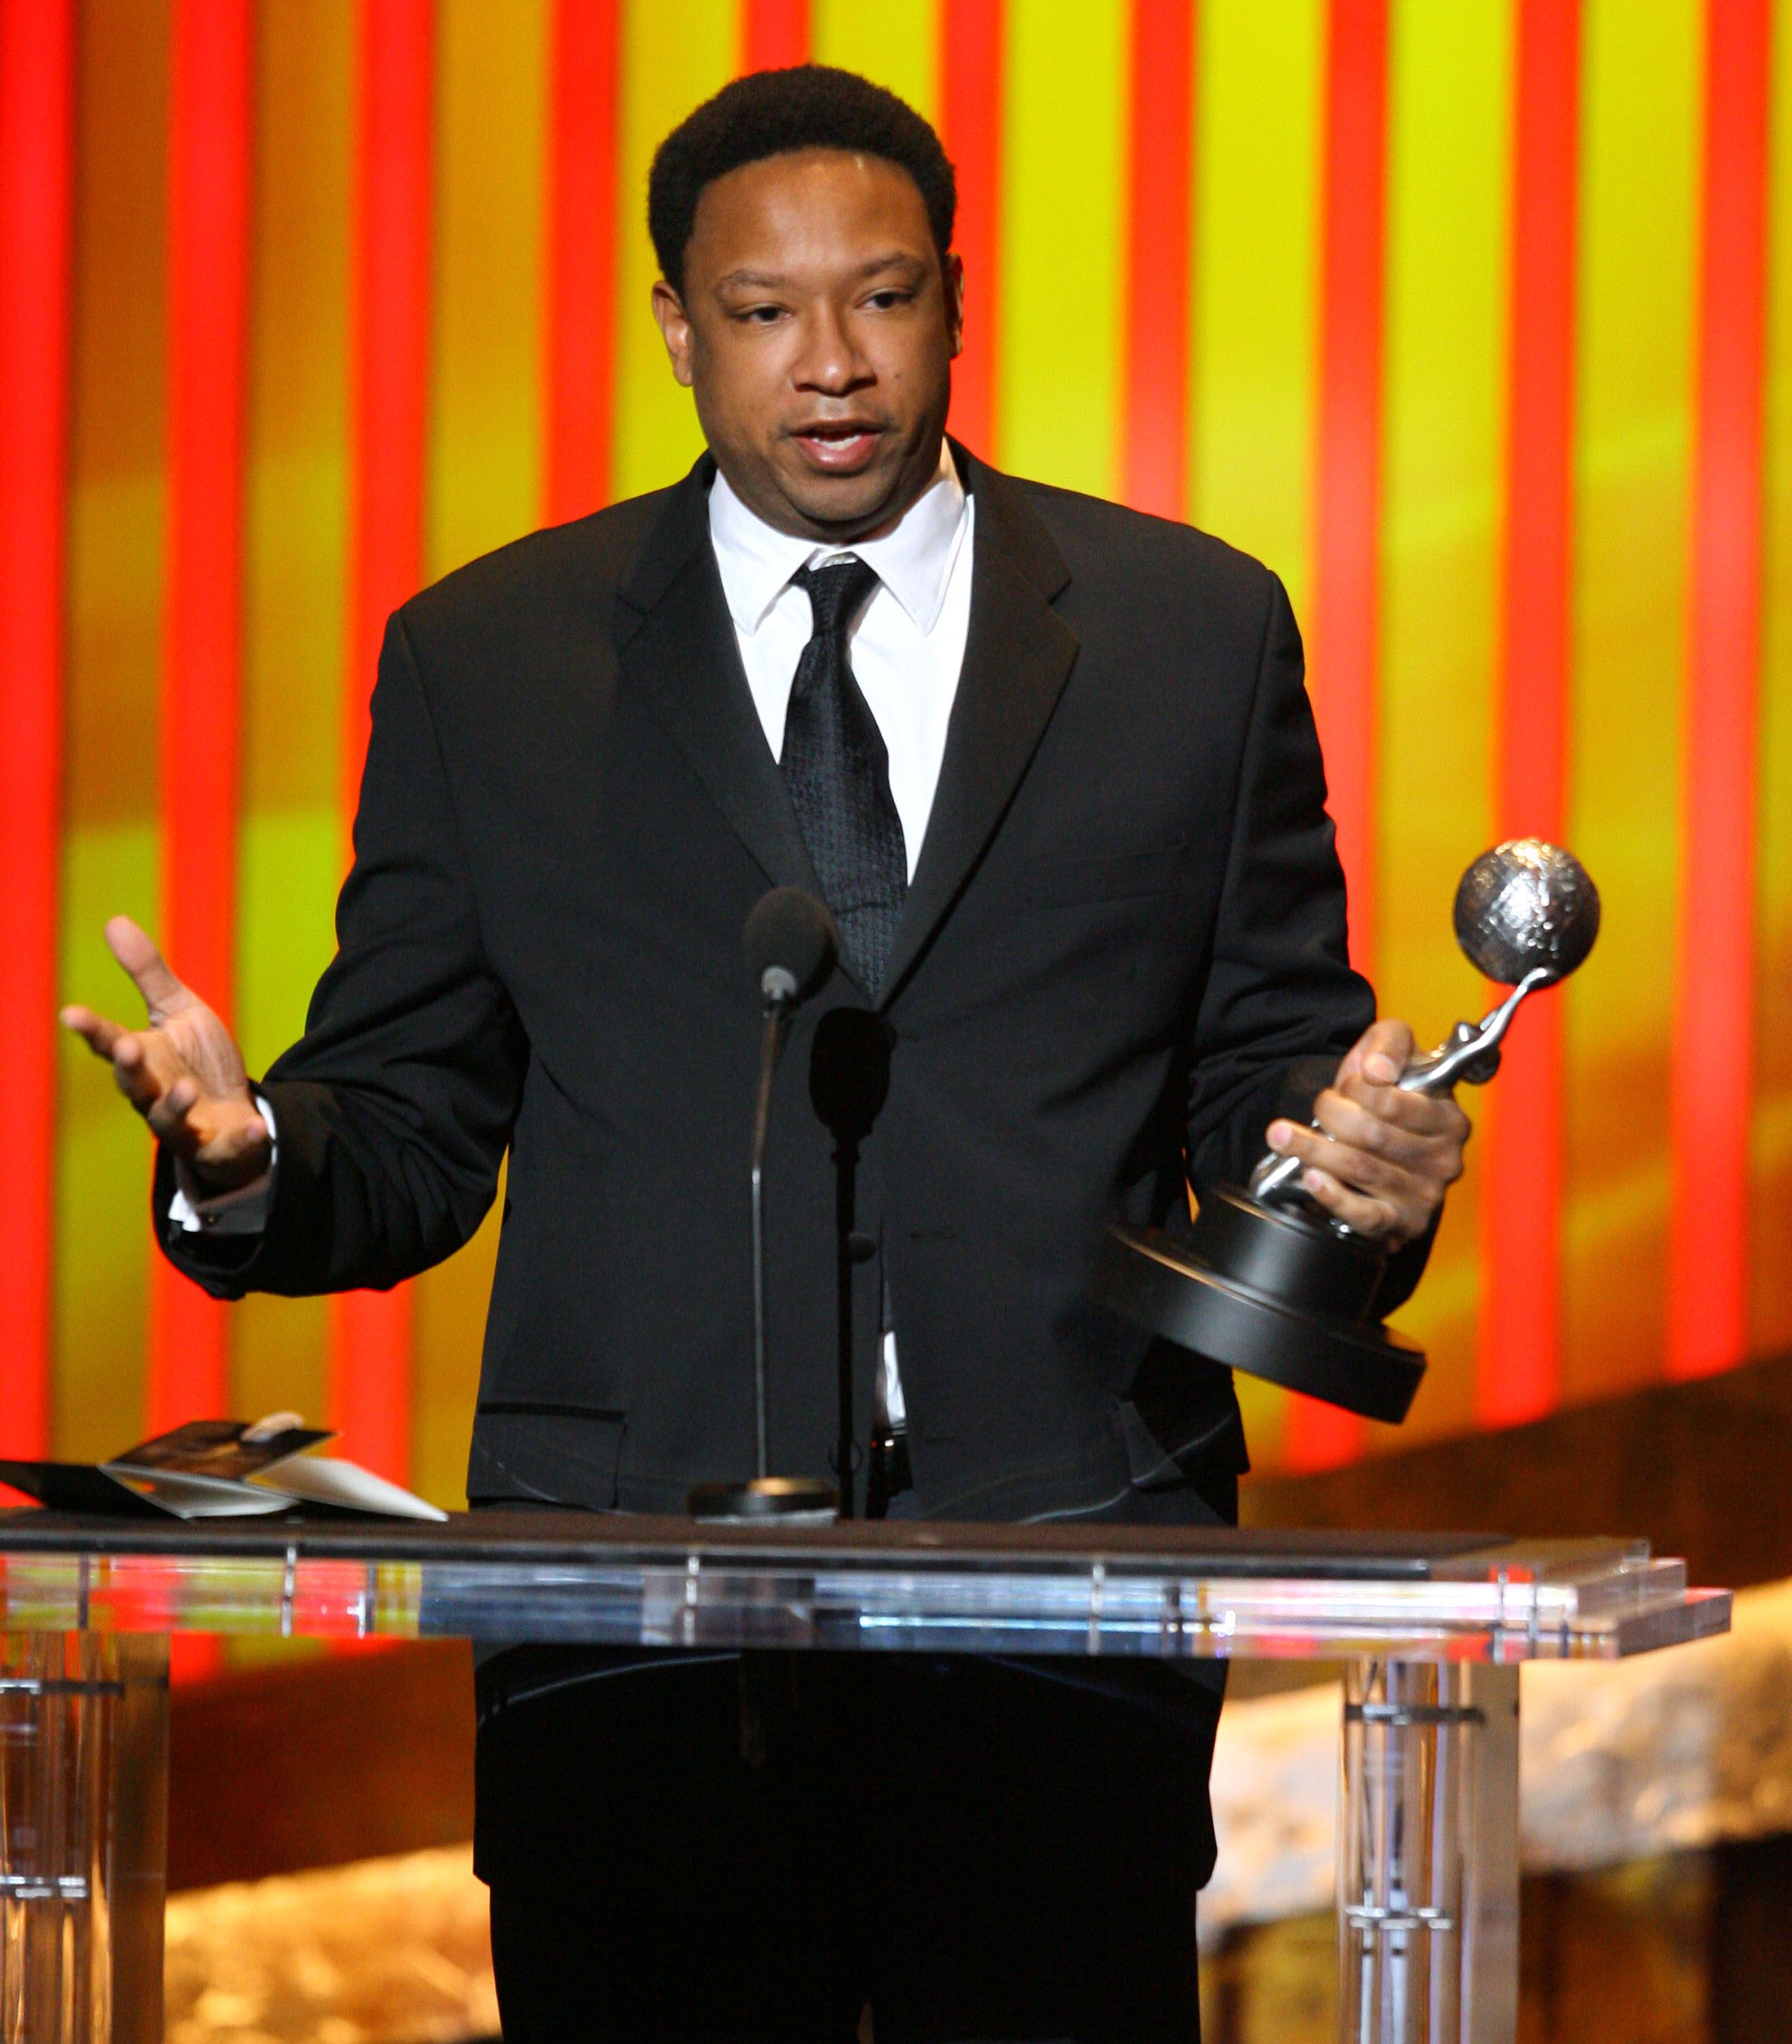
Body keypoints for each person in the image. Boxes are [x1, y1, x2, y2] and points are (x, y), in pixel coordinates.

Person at [66, 65, 1468, 2043]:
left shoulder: (1188, 635)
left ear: (957, 306)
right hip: (628, 1628)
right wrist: (241, 1153)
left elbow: (1272, 1081)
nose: (833, 363)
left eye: (884, 300)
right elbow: (408, 1126)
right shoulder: (494, 658)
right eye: (764, 311)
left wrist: (1357, 1180)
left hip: (1058, 1596)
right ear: (673, 328)